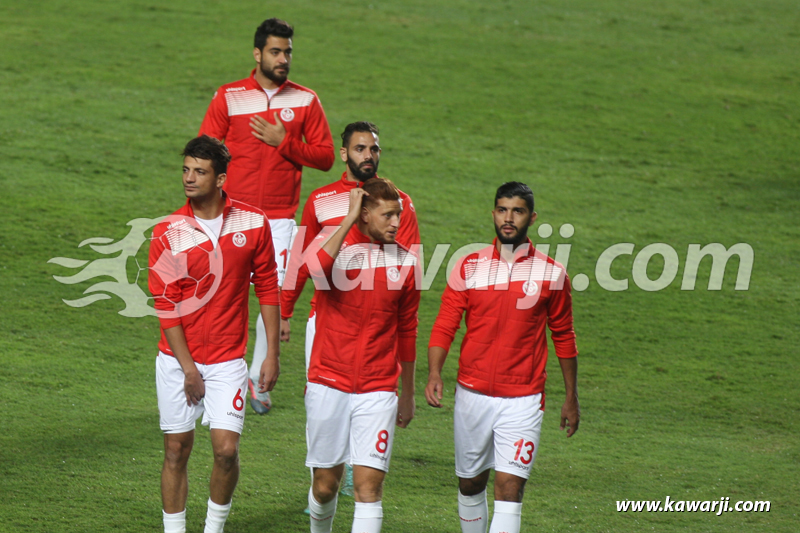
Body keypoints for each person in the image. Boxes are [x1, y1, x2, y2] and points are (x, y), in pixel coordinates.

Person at [425, 182, 580, 533]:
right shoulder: (469, 266)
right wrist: (435, 372)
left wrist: (571, 397)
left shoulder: (551, 274)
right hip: (471, 394)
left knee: (509, 488)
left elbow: (564, 336)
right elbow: (446, 323)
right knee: (470, 484)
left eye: (517, 211)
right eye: (502, 210)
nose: (508, 218)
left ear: (532, 217)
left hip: (523, 400)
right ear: (493, 213)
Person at [199, 17, 335, 414]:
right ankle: (212, 368)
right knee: (220, 292)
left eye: (288, 52)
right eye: (276, 52)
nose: (283, 59)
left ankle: (257, 380)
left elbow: (326, 157)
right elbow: (206, 148)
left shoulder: (306, 100)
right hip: (231, 215)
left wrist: (287, 142)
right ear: (257, 54)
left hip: (278, 218)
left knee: (270, 295)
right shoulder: (229, 96)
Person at [281, 121, 420, 503]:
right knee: (326, 411)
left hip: (377, 323)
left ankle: (353, 468)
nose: (368, 156)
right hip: (325, 321)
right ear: (344, 154)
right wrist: (285, 309)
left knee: (366, 474)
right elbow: (302, 258)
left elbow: (407, 266)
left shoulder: (398, 203)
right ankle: (327, 472)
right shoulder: (321, 199)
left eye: (374, 149)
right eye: (360, 149)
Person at [148, 136, 281, 533]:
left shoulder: (253, 223)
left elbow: (269, 287)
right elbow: (166, 304)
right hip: (176, 361)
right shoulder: (170, 230)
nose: (189, 178)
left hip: (227, 359)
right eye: (186, 169)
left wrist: (272, 353)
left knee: (226, 450)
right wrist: (189, 369)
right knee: (176, 450)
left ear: (220, 178)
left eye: (199, 171)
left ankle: (213, 528)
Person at [303, 178, 420, 533]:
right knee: (325, 486)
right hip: (328, 381)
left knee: (369, 488)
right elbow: (313, 269)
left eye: (398, 215)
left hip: (378, 387)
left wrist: (408, 393)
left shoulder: (406, 263)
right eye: (387, 215)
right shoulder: (332, 245)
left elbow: (407, 329)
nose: (396, 223)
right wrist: (348, 218)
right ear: (365, 215)